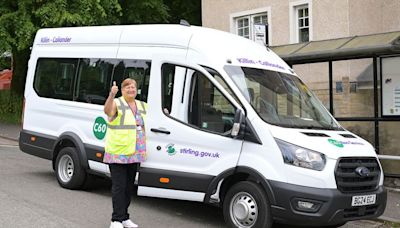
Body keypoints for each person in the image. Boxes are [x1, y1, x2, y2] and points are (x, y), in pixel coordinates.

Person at [103, 78, 147, 228]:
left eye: (133, 87)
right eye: (127, 87)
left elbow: (156, 117)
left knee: (129, 187)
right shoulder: (117, 102)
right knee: (119, 187)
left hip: (135, 153)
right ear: (122, 90)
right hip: (118, 152)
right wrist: (111, 95)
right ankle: (115, 220)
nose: (131, 90)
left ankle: (124, 218)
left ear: (137, 90)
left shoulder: (142, 105)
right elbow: (107, 111)